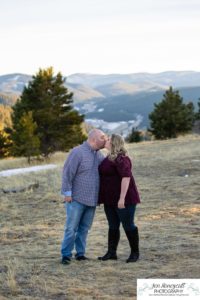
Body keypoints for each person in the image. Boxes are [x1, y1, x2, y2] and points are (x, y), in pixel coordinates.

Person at [61, 129, 106, 264]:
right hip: (76, 199)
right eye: (102, 137)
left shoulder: (98, 154)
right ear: (93, 139)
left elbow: (108, 166)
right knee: (71, 228)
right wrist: (67, 193)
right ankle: (66, 255)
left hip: (92, 200)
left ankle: (80, 253)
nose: (105, 139)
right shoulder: (77, 152)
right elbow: (67, 173)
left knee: (84, 229)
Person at [98, 134, 141, 263]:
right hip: (109, 199)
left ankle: (135, 253)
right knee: (113, 225)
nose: (106, 140)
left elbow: (126, 178)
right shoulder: (108, 157)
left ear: (114, 143)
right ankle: (112, 252)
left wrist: (122, 199)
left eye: (109, 139)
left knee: (128, 225)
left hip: (124, 199)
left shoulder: (122, 158)